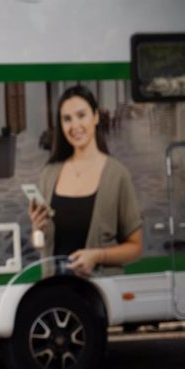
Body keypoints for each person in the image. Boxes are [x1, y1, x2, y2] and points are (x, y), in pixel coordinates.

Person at [29, 85, 143, 276]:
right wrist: (37, 229)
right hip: (56, 293)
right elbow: (40, 246)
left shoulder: (117, 174)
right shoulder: (49, 174)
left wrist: (98, 255)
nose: (75, 126)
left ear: (96, 116)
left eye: (81, 115)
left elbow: (136, 248)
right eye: (67, 119)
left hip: (101, 294)